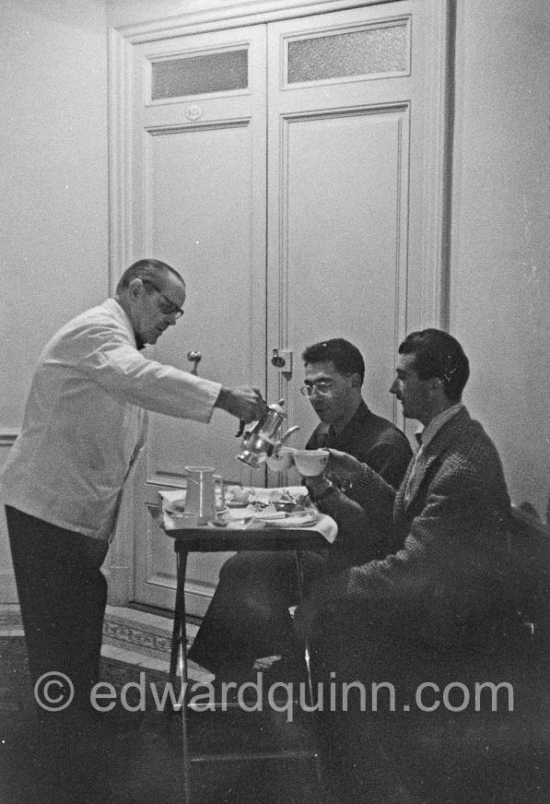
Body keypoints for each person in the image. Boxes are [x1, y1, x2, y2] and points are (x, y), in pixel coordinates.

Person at [0, 259, 266, 720]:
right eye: (168, 308)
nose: (170, 322)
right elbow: (141, 381)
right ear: (137, 289)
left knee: (80, 609)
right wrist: (224, 397)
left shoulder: (117, 344)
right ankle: (60, 741)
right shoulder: (98, 331)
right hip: (46, 506)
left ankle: (75, 714)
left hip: (70, 508)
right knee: (60, 623)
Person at [293, 329, 515, 803]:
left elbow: (415, 564)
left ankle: (359, 774)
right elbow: (409, 516)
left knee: (332, 616)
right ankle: (348, 758)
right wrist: (360, 475)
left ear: (434, 386)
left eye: (402, 377)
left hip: (451, 621)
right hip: (436, 598)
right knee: (327, 608)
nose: (393, 389)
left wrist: (337, 586)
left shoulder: (461, 462)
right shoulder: (447, 438)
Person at [187, 338, 412, 680]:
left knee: (244, 569)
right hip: (319, 546)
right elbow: (308, 500)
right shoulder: (323, 433)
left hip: (357, 559)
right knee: (245, 552)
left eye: (325, 384)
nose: (315, 396)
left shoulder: (387, 444)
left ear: (354, 382)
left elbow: (377, 533)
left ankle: (246, 667)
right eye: (309, 386)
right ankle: (275, 658)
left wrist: (321, 491)